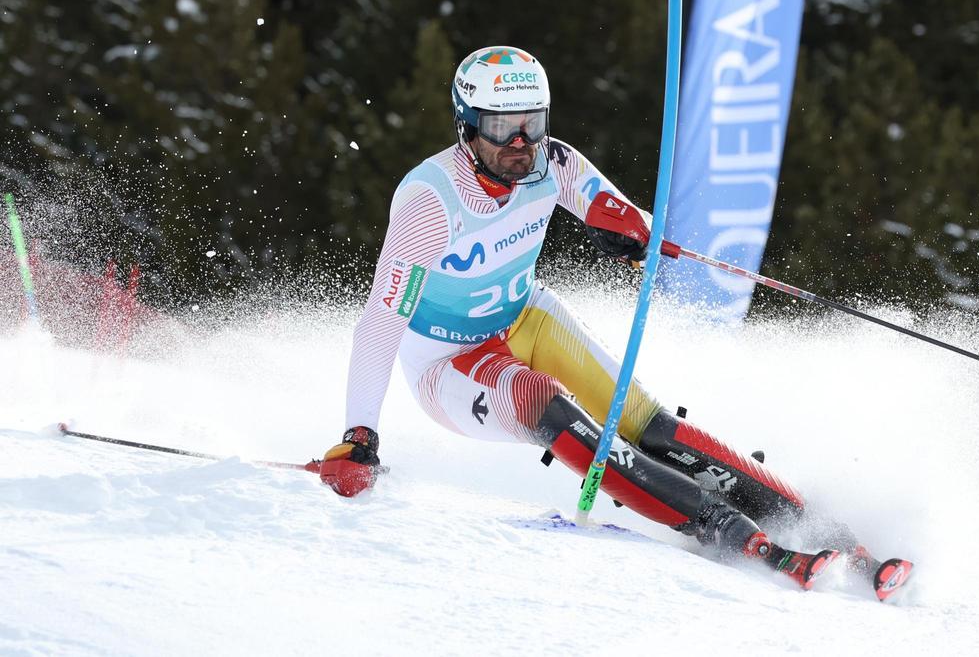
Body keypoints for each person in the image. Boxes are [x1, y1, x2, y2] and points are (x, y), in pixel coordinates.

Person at [317, 46, 912, 600]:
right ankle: (736, 536)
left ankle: (838, 538)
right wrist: (360, 436)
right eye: (502, 127)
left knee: (645, 422)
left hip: (525, 316)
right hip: (447, 361)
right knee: (539, 398)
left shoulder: (552, 162)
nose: (521, 142)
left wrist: (638, 235)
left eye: (532, 122)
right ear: (467, 125)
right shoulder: (430, 201)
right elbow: (380, 322)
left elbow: (622, 215)